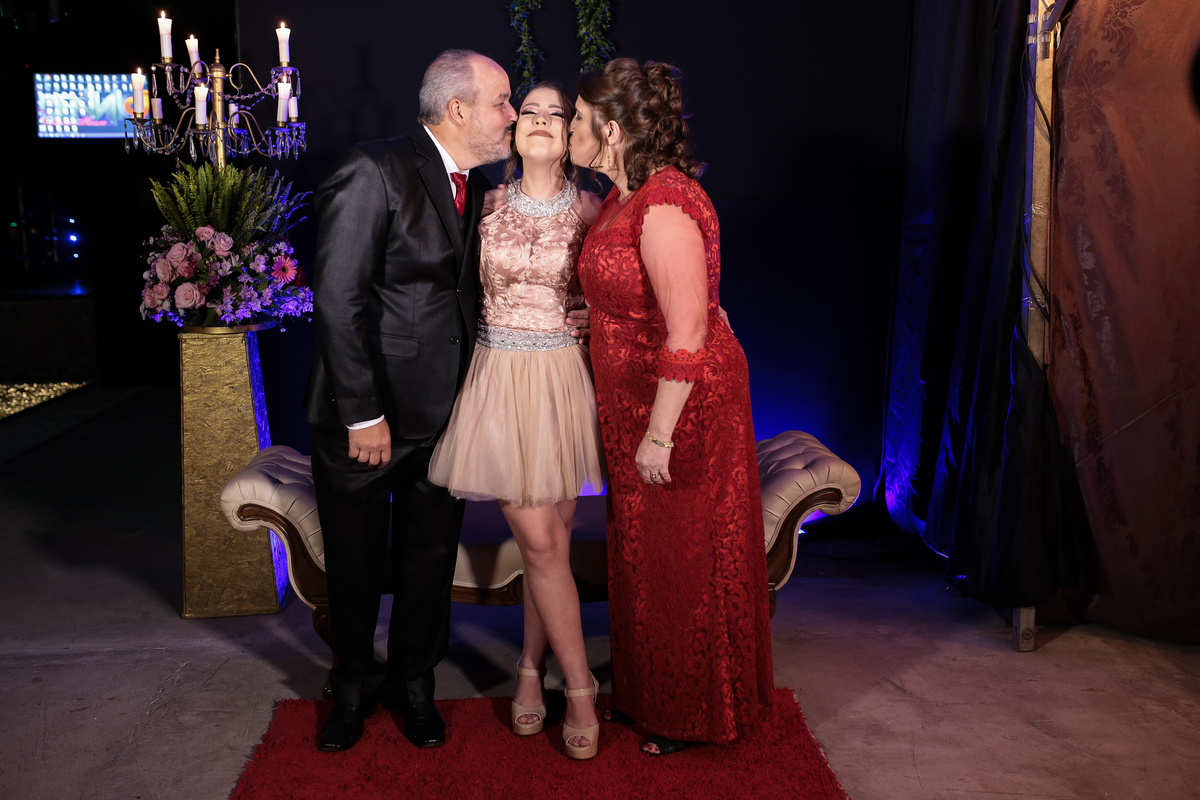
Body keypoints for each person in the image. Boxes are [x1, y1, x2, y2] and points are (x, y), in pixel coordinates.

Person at [304, 50, 585, 753]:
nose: (512, 115)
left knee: (428, 559)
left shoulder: (480, 187)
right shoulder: (373, 169)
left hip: (449, 412)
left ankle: (414, 687)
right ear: (459, 108)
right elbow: (337, 298)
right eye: (502, 102)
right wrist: (362, 412)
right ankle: (351, 689)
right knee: (356, 560)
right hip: (367, 416)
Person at [569, 58, 775, 755]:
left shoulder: (662, 203)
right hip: (636, 401)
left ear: (612, 130)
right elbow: (644, 297)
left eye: (578, 119)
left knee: (685, 557)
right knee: (646, 554)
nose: (570, 129)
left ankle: (691, 712)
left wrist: (659, 434)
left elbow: (687, 332)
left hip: (680, 410)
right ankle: (651, 693)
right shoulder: (623, 197)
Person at [427, 83, 606, 760]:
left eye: (556, 114)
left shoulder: (591, 209)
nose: (540, 120)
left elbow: (619, 288)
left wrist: (595, 315)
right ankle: (581, 689)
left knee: (548, 546)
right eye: (529, 110)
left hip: (563, 383)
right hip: (499, 381)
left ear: (570, 135)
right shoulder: (484, 202)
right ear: (514, 128)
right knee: (543, 546)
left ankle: (531, 670)